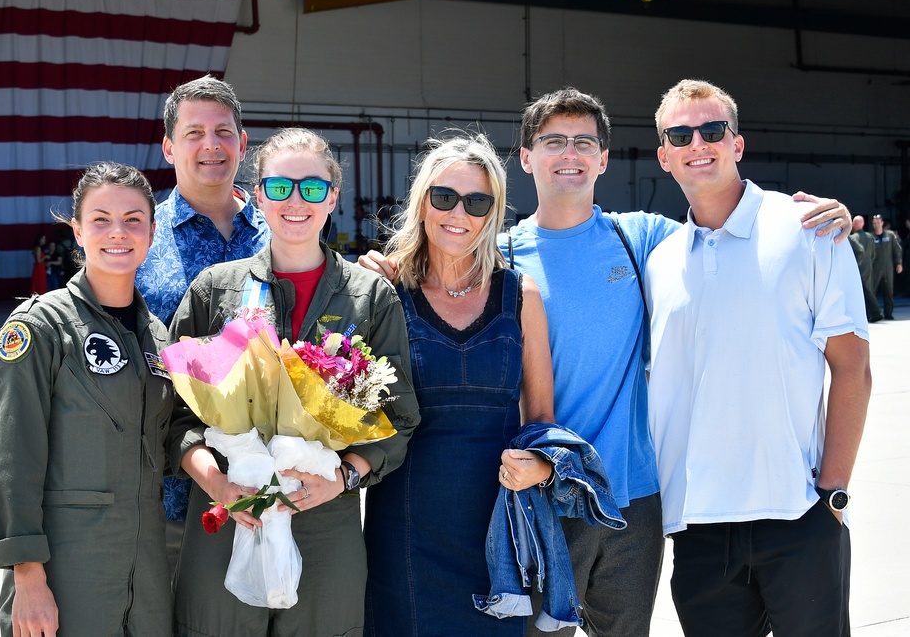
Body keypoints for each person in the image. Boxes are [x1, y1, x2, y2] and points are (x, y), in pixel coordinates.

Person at [362, 88, 853, 637]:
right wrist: (383, 271)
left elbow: (727, 231)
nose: (568, 153)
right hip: (541, 500)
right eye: (552, 141)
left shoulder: (642, 239)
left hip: (631, 500)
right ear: (526, 158)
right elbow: (437, 272)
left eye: (584, 142)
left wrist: (811, 215)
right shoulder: (499, 258)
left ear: (603, 158)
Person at [165, 127, 419, 637]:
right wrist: (219, 483)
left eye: (312, 187)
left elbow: (399, 419)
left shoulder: (370, 298)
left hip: (324, 520)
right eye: (280, 187)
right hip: (226, 514)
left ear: (333, 196)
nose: (296, 200)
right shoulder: (216, 290)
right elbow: (172, 414)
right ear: (258, 194)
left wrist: (342, 479)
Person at [646, 78, 871, 636]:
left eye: (712, 129)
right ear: (665, 155)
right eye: (681, 134)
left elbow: (853, 369)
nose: (698, 142)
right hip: (698, 526)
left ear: (737, 143)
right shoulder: (659, 261)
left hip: (797, 515)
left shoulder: (810, 228)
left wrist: (832, 492)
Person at [362, 134, 555, 637]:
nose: (458, 213)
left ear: (493, 212)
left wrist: (540, 465)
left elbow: (540, 420)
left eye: (477, 202)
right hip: (405, 522)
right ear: (422, 202)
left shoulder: (521, 295)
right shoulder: (385, 292)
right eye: (443, 197)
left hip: (497, 526)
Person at [0, 162, 175, 636]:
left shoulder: (157, 336)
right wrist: (27, 576)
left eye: (134, 220)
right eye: (101, 219)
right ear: (77, 230)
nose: (119, 232)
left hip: (147, 570)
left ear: (151, 232)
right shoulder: (41, 328)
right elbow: (12, 458)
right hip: (67, 569)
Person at [136, 75, 270, 538]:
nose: (211, 145)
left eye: (223, 132)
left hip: (277, 487)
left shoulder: (283, 230)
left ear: (243, 143)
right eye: (194, 133)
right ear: (169, 148)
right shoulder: (139, 237)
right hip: (169, 497)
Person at [870, 213, 903, 320]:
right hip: (875, 268)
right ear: (872, 224)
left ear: (882, 223)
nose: (876, 225)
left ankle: (888, 313)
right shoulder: (870, 237)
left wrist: (899, 263)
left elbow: (897, 249)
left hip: (888, 267)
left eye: (878, 222)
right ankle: (874, 313)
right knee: (872, 291)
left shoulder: (890, 235)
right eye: (874, 223)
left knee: (888, 291)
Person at [850, 215, 882, 321]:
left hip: (857, 268)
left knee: (859, 292)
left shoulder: (852, 238)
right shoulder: (869, 237)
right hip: (868, 266)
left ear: (853, 225)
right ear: (863, 224)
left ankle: (874, 313)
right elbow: (873, 254)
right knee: (868, 290)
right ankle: (873, 313)